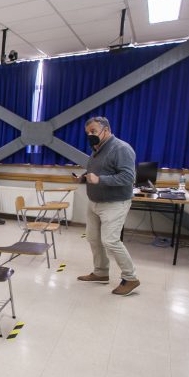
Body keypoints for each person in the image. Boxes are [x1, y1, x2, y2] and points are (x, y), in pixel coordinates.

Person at [75, 116, 140, 296]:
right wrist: (83, 177)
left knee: (110, 240)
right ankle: (101, 272)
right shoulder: (97, 149)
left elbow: (128, 178)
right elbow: (96, 171)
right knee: (93, 238)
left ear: (107, 130)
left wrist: (99, 179)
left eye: (94, 131)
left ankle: (131, 277)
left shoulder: (121, 148)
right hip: (95, 201)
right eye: (88, 132)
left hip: (114, 203)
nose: (90, 135)